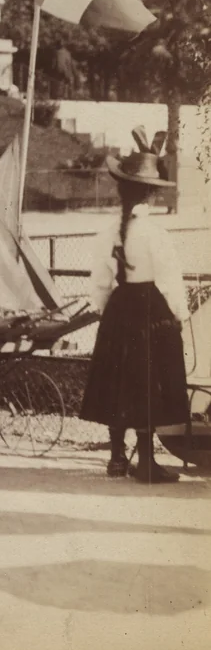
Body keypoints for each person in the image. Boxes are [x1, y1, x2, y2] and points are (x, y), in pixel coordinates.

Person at [79, 133, 189, 483]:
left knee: (118, 379)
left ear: (121, 191)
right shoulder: (156, 235)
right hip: (150, 310)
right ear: (151, 193)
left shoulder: (108, 231)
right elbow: (169, 279)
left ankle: (116, 459)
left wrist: (101, 309)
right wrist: (179, 315)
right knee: (148, 381)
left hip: (120, 308)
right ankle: (146, 463)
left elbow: (100, 280)